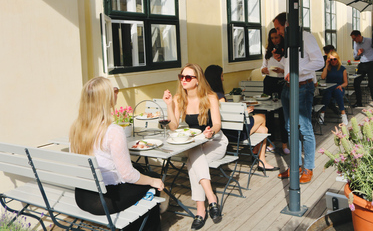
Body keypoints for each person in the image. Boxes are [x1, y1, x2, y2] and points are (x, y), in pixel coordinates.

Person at [70, 77, 164, 231]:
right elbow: (127, 176)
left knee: (140, 172)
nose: (116, 94)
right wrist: (152, 181)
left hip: (82, 197)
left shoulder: (76, 128)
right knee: (152, 177)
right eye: (113, 91)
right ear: (105, 99)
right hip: (104, 201)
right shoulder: (113, 130)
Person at [163, 63, 227, 230]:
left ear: (197, 80)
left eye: (188, 77)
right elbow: (173, 126)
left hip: (215, 141)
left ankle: (201, 210)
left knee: (193, 162)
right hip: (196, 143)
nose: (184, 80)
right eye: (182, 77)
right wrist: (169, 105)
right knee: (195, 157)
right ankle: (211, 198)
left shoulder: (210, 97)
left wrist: (211, 131)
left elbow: (218, 124)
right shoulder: (178, 98)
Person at [273, 12, 324, 184]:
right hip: (288, 88)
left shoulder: (305, 37)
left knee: (304, 128)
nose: (277, 32)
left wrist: (297, 72)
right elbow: (290, 67)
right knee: (289, 128)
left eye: (278, 28)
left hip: (303, 87)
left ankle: (308, 167)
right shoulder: (289, 42)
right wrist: (280, 61)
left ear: (287, 24)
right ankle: (295, 166)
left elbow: (319, 62)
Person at [205, 64, 279, 171]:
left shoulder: (204, 95)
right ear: (216, 78)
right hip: (233, 133)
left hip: (223, 132)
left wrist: (242, 111)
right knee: (262, 116)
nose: (223, 79)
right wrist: (244, 111)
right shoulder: (219, 97)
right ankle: (256, 152)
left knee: (264, 130)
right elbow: (226, 119)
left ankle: (261, 160)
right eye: (221, 76)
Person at [261, 28, 289, 155]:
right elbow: (262, 66)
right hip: (269, 82)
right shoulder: (267, 51)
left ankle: (284, 143)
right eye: (272, 38)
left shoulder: (285, 51)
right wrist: (264, 70)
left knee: (283, 113)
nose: (274, 40)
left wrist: (282, 71)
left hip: (282, 82)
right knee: (268, 114)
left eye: (276, 37)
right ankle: (270, 142)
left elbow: (289, 68)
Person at [350, 30, 373, 107]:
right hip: (363, 64)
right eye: (353, 39)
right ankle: (358, 102)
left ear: (359, 36)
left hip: (371, 63)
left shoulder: (370, 41)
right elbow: (355, 57)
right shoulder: (356, 44)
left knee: (372, 84)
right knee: (356, 83)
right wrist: (358, 54)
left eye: (355, 38)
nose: (354, 40)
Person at [319, 51, 348, 125]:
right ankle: (322, 114)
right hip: (329, 87)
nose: (333, 61)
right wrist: (326, 65)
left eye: (334, 59)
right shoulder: (328, 68)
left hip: (338, 87)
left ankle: (343, 114)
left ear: (337, 59)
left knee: (338, 92)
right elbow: (323, 77)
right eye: (331, 59)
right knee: (327, 94)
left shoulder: (342, 69)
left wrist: (341, 86)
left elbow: (346, 82)